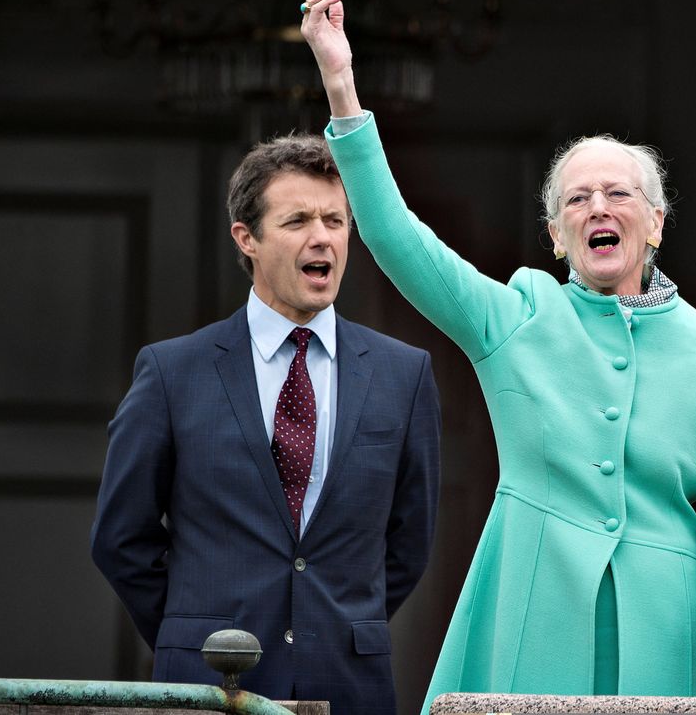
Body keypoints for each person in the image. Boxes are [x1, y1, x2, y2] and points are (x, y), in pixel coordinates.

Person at [300, 0, 696, 709]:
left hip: (669, 628)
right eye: (577, 199)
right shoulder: (519, 315)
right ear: (557, 236)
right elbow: (396, 238)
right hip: (532, 614)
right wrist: (341, 83)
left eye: (618, 193)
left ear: (656, 222)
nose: (598, 207)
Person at [90, 132, 441, 715]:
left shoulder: (405, 375)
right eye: (297, 219)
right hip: (207, 684)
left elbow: (408, 543)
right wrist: (191, 629)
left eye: (335, 219)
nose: (322, 236)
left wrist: (334, 624)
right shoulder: (172, 371)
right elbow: (120, 538)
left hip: (349, 684)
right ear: (246, 238)